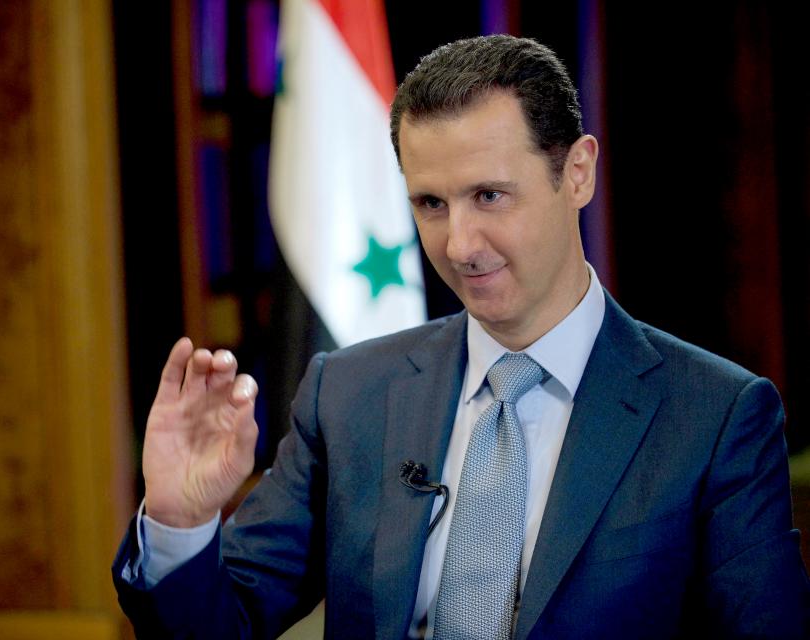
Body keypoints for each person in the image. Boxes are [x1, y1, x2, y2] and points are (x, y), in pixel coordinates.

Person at [113, 35, 809, 638]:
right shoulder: (347, 394)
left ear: (577, 173)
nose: (460, 244)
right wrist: (180, 521)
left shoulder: (715, 416)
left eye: (489, 196)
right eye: (431, 204)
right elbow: (220, 625)